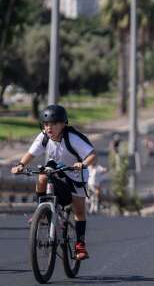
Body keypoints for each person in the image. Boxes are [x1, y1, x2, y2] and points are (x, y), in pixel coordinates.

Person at [11, 104, 96, 260]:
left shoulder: (72, 138)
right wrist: (21, 165)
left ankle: (80, 245)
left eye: (54, 123)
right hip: (56, 167)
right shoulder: (44, 137)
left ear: (63, 124)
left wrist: (82, 164)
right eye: (46, 124)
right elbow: (31, 153)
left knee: (79, 210)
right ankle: (41, 210)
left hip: (76, 174)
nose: (49, 127)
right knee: (42, 175)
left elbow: (91, 154)